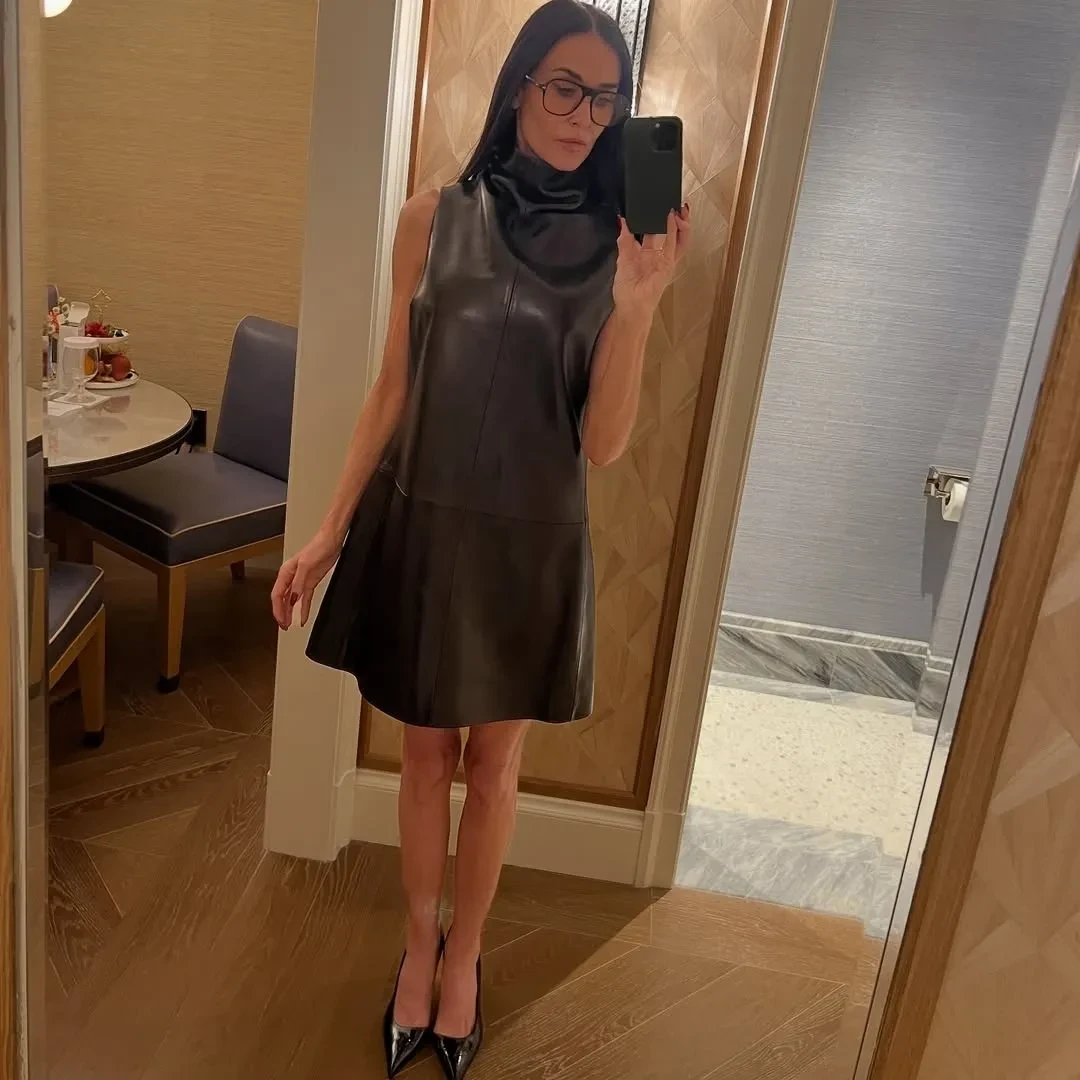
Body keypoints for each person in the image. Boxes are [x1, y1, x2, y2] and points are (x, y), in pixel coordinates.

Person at [272, 1, 689, 1075]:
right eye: (564, 87)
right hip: (425, 524)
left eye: (604, 98)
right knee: (425, 755)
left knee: (496, 767)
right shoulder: (431, 218)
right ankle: (418, 949)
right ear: (519, 86)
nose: (583, 116)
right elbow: (391, 392)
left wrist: (639, 308)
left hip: (532, 543)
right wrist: (325, 533)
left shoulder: (622, 246)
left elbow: (603, 447)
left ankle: (465, 963)